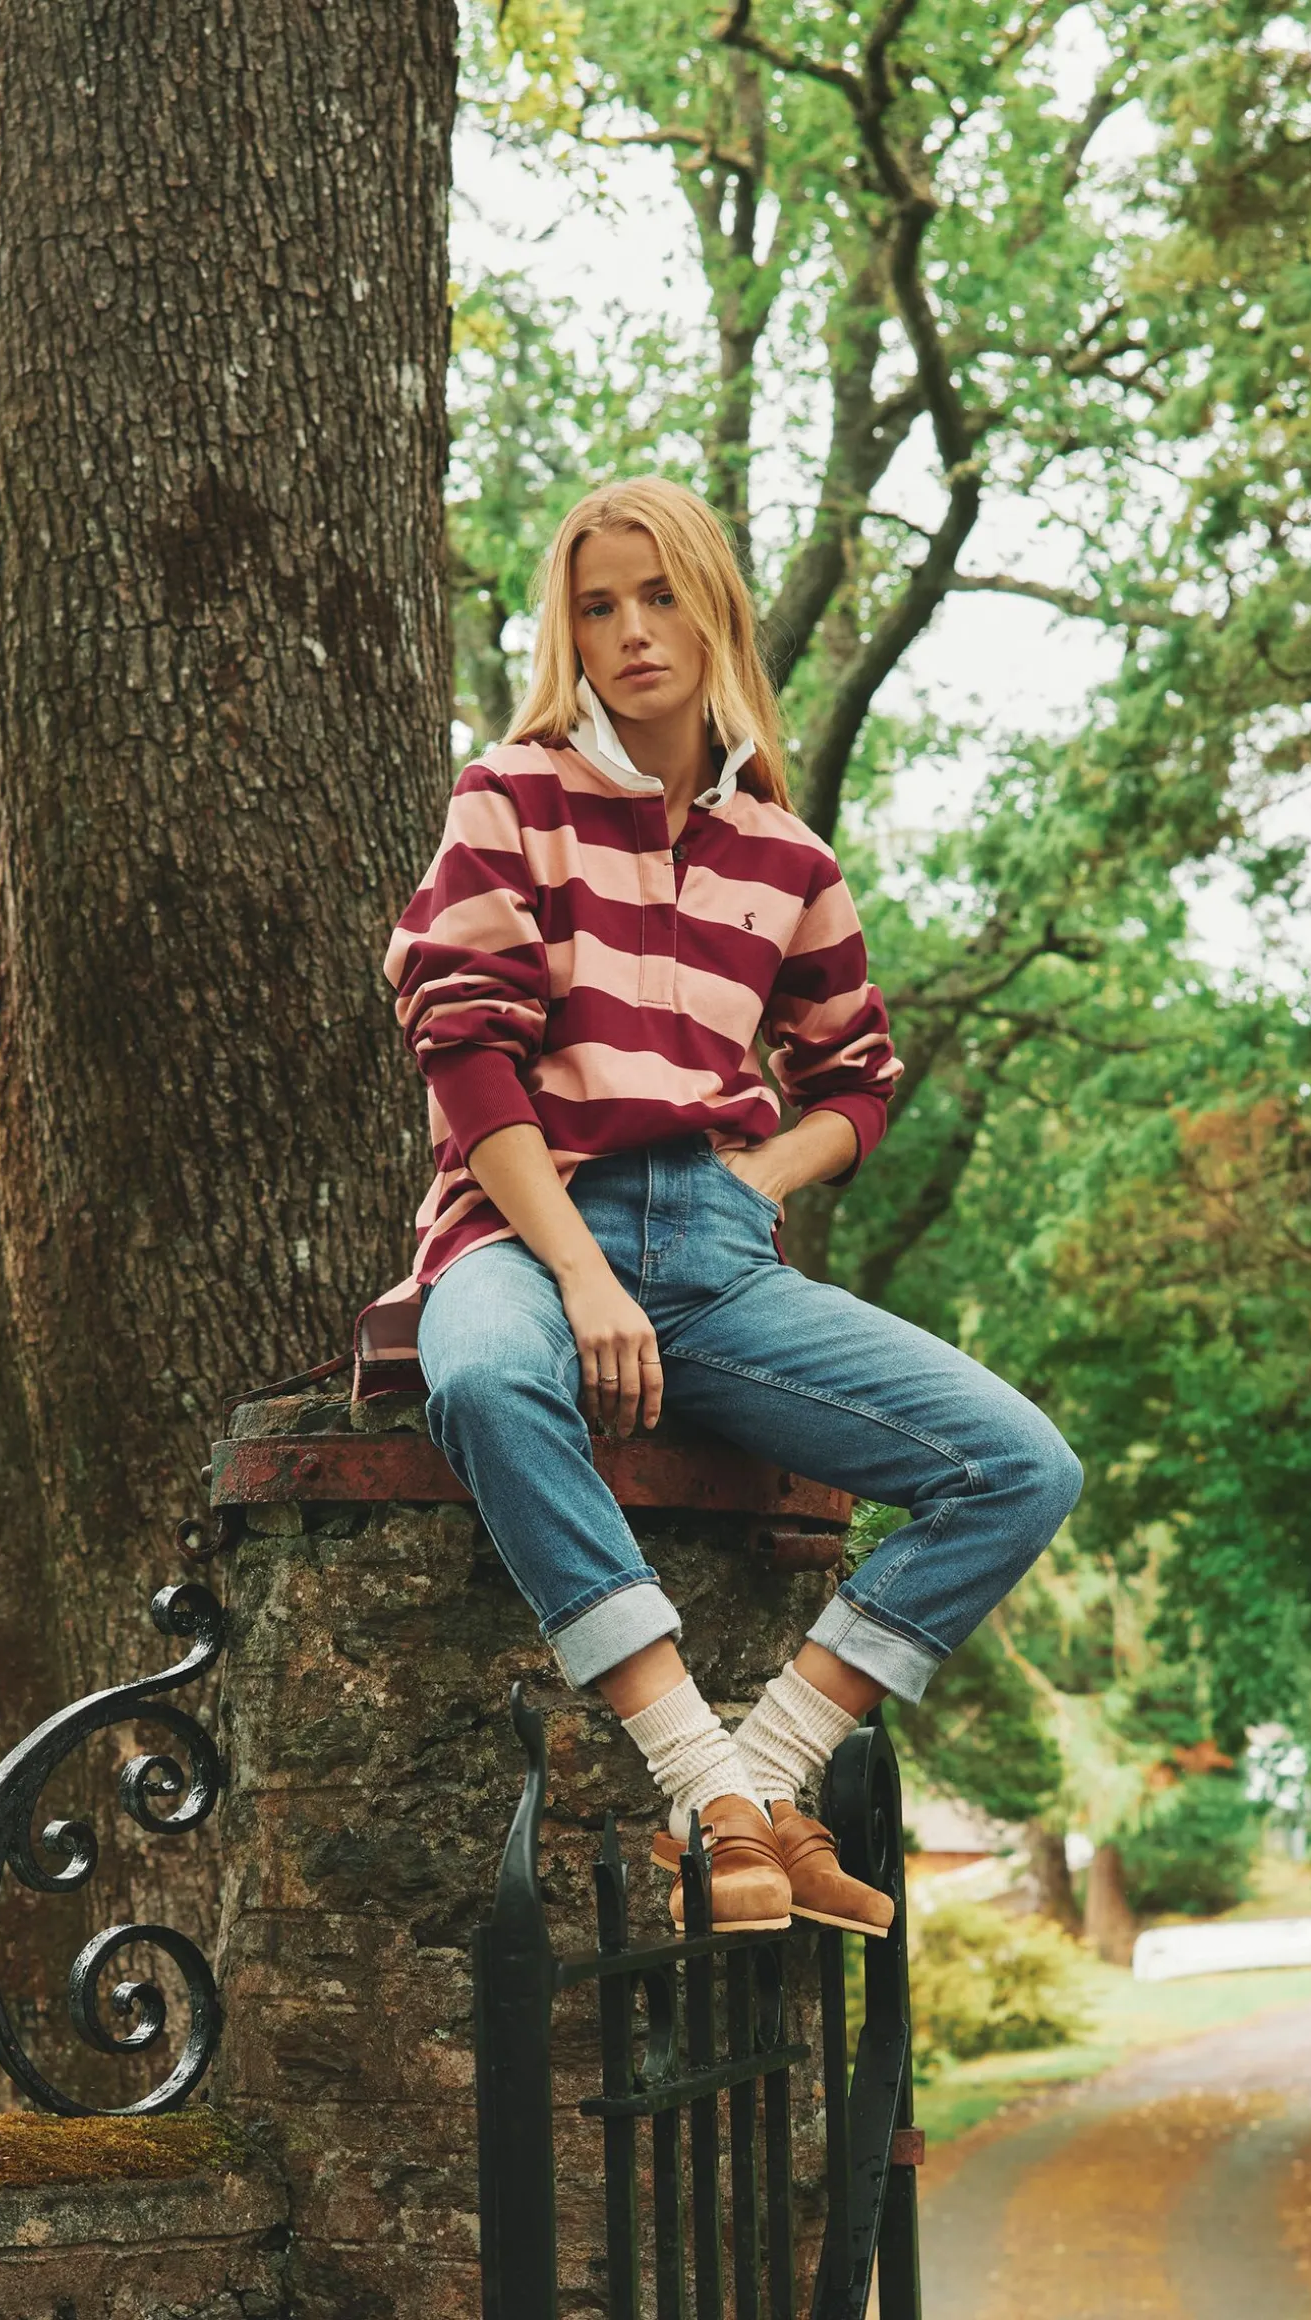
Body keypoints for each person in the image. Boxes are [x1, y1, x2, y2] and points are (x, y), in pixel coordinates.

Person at [366, 475, 1081, 1936]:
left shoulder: (786, 855)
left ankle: (762, 1780)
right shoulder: (509, 795)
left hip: (715, 1250)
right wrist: (584, 1276)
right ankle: (703, 1782)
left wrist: (758, 1178)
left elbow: (858, 1078)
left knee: (1020, 1466)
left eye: (661, 596)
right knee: (487, 1376)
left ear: (716, 614)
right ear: (568, 634)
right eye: (597, 607)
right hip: (521, 1226)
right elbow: (464, 1049)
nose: (633, 631)